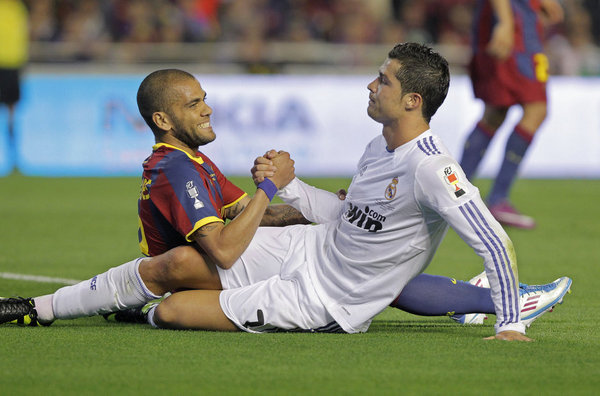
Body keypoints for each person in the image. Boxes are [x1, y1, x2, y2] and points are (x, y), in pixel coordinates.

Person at [0, 61, 570, 336]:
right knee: (177, 265)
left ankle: (504, 302)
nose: (370, 86)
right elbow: (351, 218)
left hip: (324, 296)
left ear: (412, 100)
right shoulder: (379, 148)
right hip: (316, 253)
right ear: (163, 118)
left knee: (171, 306)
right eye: (195, 103)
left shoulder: (432, 166)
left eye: (383, 81)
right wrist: (288, 192)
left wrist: (510, 326)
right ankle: (46, 308)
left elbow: (490, 234)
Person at [460, 0, 564, 229]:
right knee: (536, 109)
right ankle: (497, 199)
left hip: (516, 15)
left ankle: (454, 193)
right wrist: (506, 22)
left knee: (496, 111)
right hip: (513, 18)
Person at [0, 0, 28, 173]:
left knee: (12, 114)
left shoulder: (19, 8)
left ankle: (13, 157)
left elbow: (23, 38)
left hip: (14, 65)